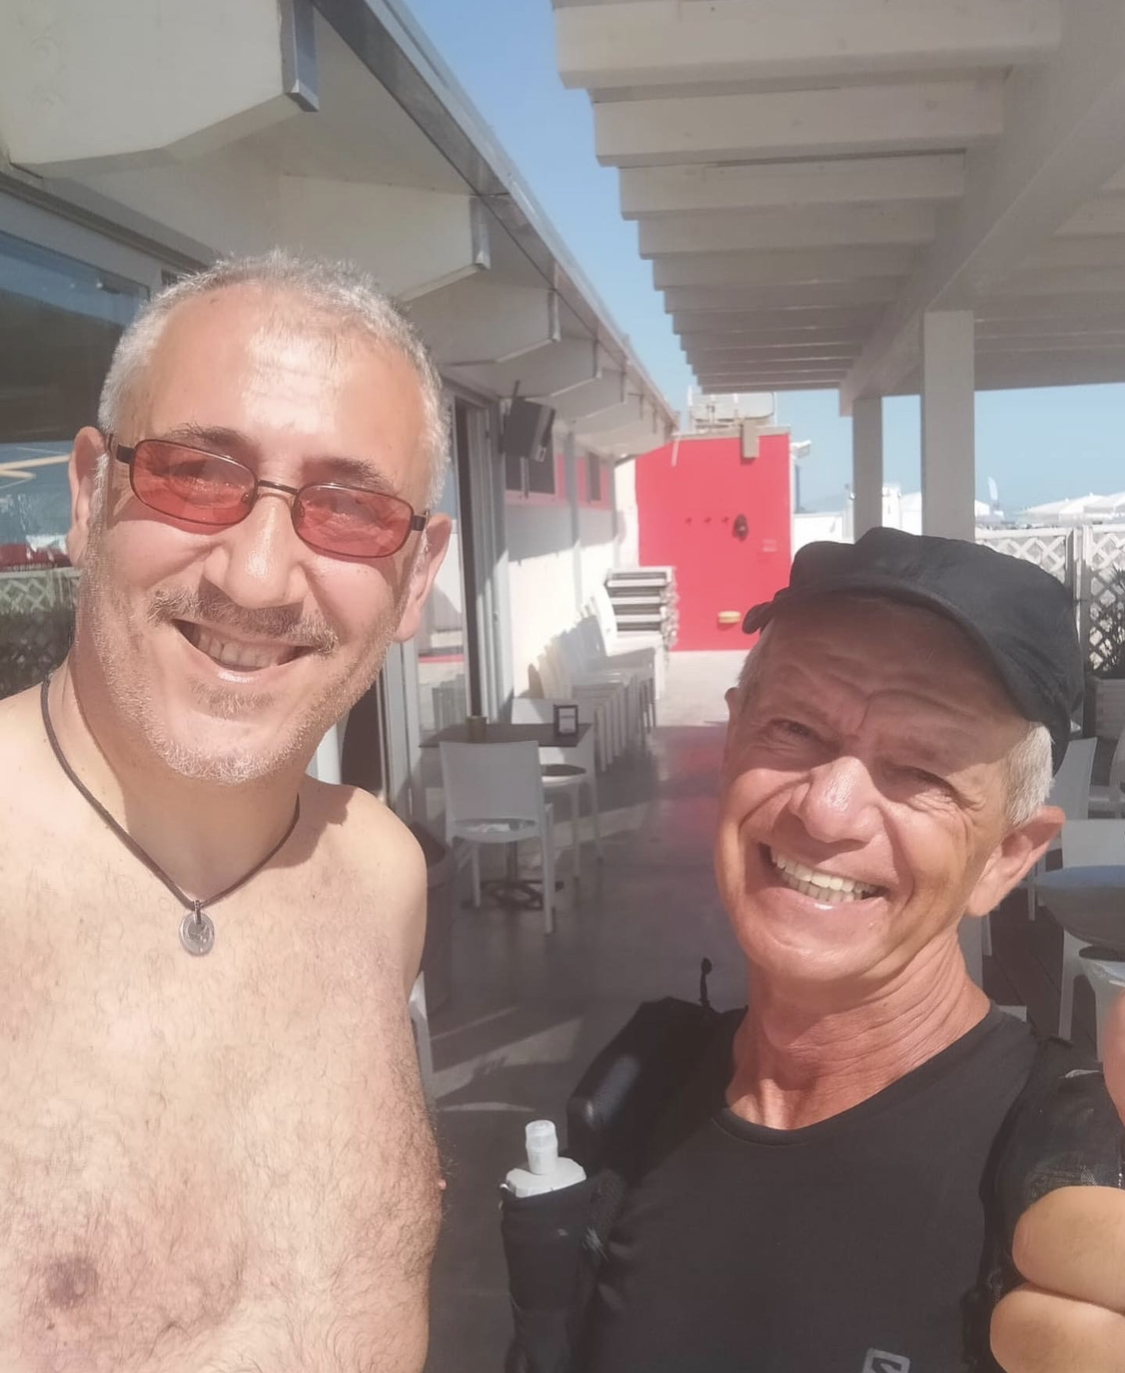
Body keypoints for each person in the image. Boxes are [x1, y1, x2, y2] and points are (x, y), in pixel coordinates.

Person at [518, 529, 1125, 1373]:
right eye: (793, 726)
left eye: (922, 770)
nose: (826, 809)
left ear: (1005, 857)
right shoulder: (639, 1095)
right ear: (731, 740)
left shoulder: (1064, 1170)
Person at [0, 252, 454, 1372]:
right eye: (197, 474)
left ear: (416, 575)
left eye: (350, 509)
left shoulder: (379, 874)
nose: (255, 578)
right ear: (90, 494)